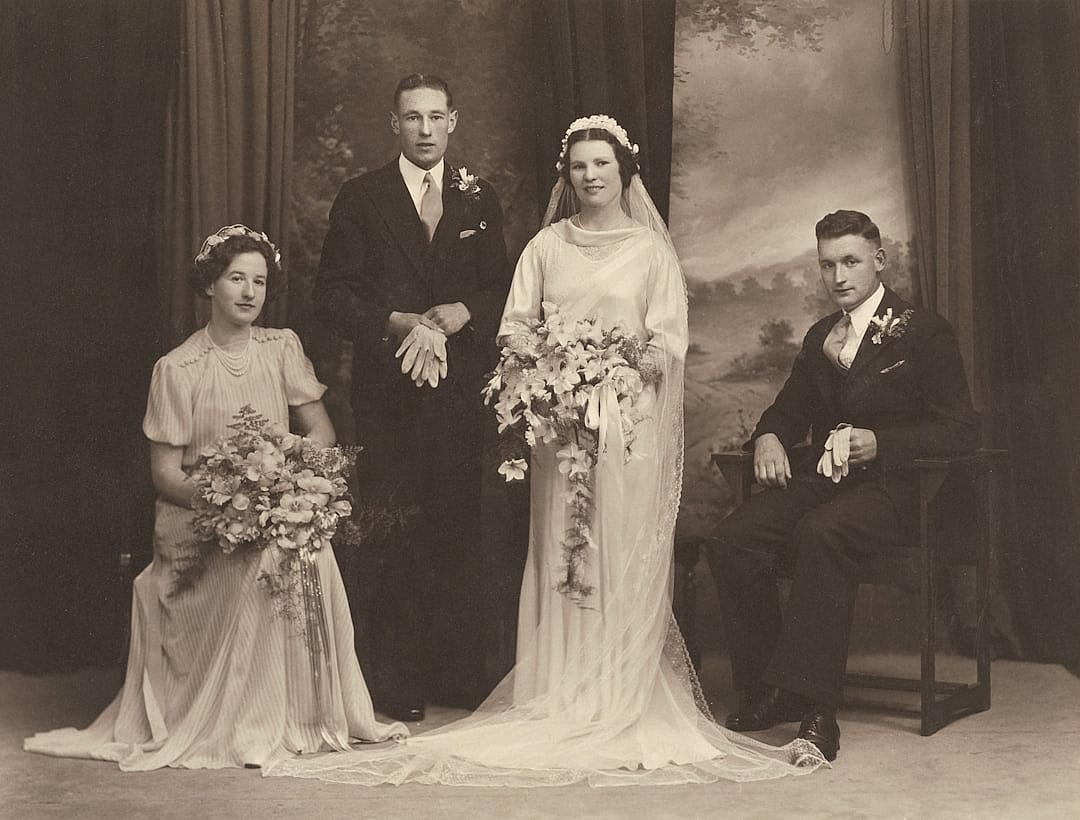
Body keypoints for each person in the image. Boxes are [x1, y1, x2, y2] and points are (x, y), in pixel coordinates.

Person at [266, 116, 825, 787]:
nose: (590, 177)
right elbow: (514, 331)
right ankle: (559, 694)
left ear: (624, 173)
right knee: (563, 549)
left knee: (616, 549)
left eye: (602, 166)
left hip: (626, 429)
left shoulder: (651, 252)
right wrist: (557, 373)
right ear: (568, 173)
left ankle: (618, 696)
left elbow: (666, 341)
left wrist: (612, 371)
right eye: (579, 166)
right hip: (560, 431)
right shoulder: (545, 248)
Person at [24, 225, 406, 770]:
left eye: (259, 282)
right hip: (198, 522)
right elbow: (165, 474)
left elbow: (321, 433)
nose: (250, 292)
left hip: (271, 506)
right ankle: (248, 721)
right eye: (236, 279)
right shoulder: (178, 369)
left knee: (305, 548)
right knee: (266, 554)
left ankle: (301, 716)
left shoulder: (281, 349)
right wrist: (230, 503)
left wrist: (284, 479)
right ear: (210, 286)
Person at [709, 210, 980, 762]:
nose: (839, 276)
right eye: (827, 265)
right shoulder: (821, 336)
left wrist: (883, 443)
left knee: (822, 533)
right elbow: (788, 410)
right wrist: (768, 438)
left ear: (879, 262)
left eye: (851, 261)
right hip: (830, 482)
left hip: (903, 490)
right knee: (732, 539)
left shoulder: (923, 330)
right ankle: (769, 687)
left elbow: (960, 429)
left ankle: (816, 711)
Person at [313, 74, 512, 722]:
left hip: (457, 399)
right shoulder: (362, 197)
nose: (425, 129)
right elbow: (333, 295)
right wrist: (395, 320)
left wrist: (465, 310)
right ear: (393, 124)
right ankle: (392, 678)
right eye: (412, 117)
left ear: (454, 121)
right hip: (388, 398)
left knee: (457, 529)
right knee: (391, 534)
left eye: (435, 116)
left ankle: (455, 673)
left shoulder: (479, 199)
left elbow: (506, 291)